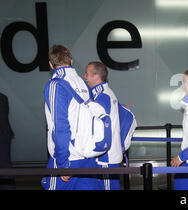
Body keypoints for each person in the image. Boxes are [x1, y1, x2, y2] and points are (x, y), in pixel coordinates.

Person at [41, 45, 103, 190]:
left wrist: (62, 164)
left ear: (51, 65)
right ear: (71, 61)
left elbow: (60, 126)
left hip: (68, 158)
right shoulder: (84, 84)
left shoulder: (55, 85)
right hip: (88, 155)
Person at [83, 61, 136, 190]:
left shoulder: (102, 96)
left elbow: (97, 126)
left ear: (96, 76)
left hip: (106, 156)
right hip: (109, 154)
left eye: (87, 74)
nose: (84, 77)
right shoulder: (106, 93)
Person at [0, 92, 15, 190]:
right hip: (4, 134)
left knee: (5, 168)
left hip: (2, 135)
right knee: (5, 168)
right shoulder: (2, 97)